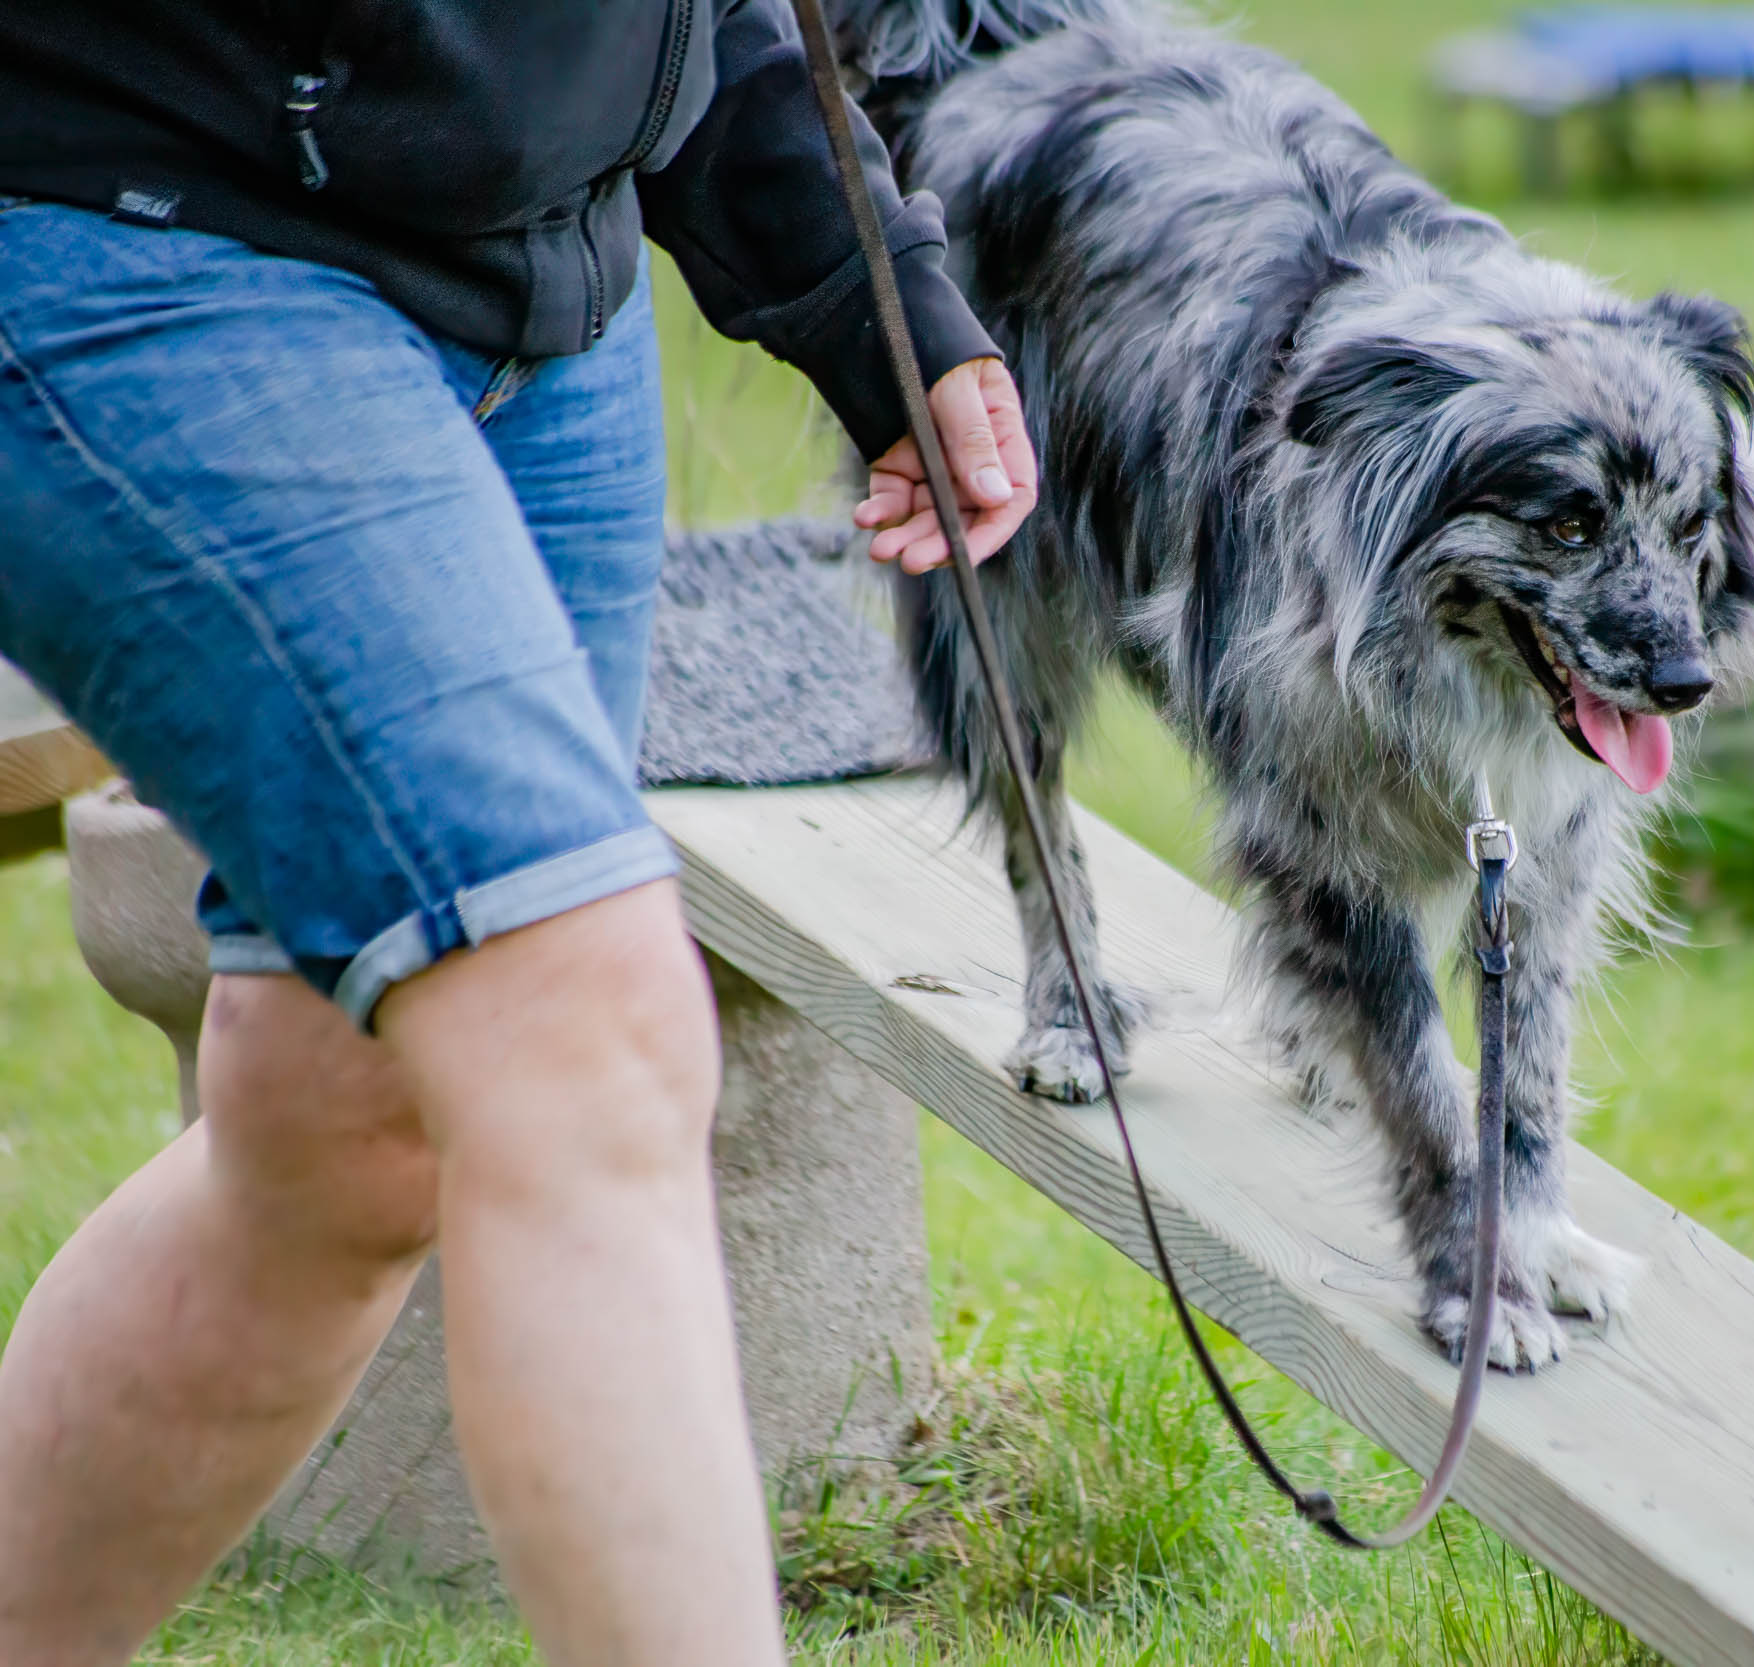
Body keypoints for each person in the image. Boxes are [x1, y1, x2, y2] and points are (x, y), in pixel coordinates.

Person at [0, 3, 1036, 1663]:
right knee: (580, 1023)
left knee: (341, 1133)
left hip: (542, 284)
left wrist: (858, 275)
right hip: (135, 224)